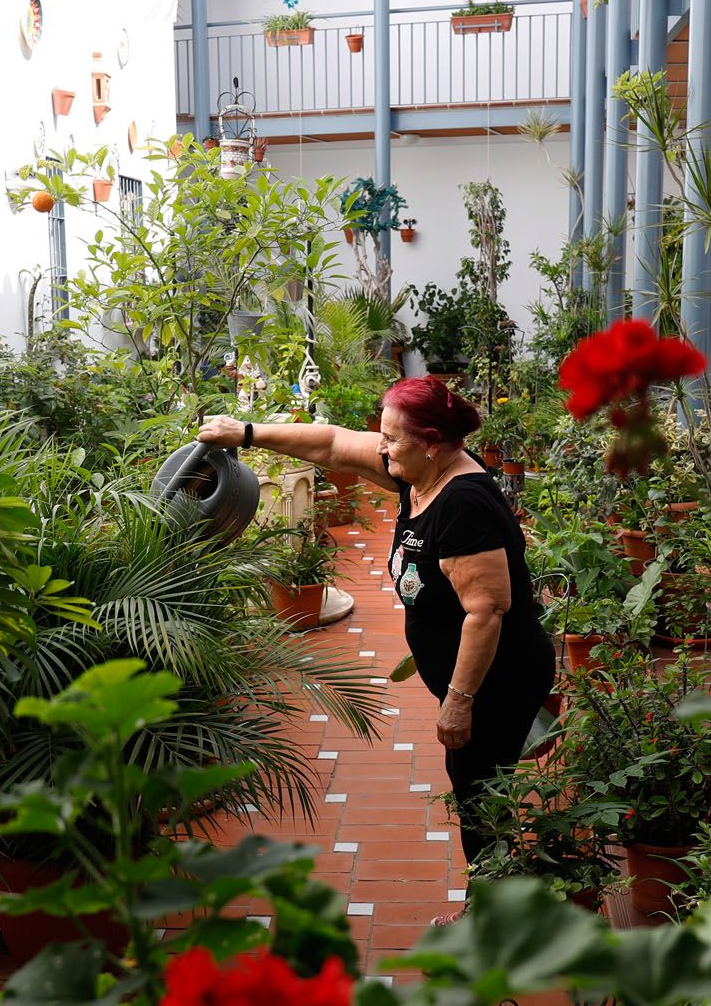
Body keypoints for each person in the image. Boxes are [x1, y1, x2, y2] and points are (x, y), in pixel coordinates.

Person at [195, 378, 555, 907]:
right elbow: (333, 444)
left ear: (432, 441)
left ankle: (492, 915)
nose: (381, 448)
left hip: (499, 681)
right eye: (382, 436)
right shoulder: (422, 470)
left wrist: (458, 702)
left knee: (479, 793)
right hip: (481, 677)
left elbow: (486, 612)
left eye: (391, 439)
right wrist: (244, 434)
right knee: (481, 785)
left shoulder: (463, 504)